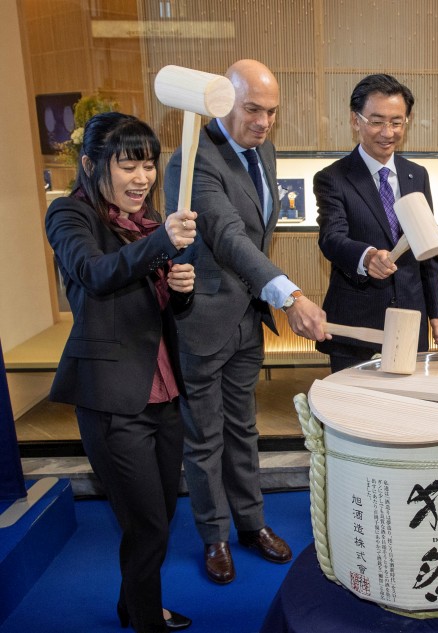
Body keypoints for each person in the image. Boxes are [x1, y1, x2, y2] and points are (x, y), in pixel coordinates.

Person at [164, 59, 327, 585]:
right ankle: (214, 537)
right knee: (205, 437)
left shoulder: (264, 150)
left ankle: (252, 524)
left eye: (272, 112)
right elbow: (229, 236)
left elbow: (258, 233)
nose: (263, 122)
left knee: (244, 430)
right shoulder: (192, 159)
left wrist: (267, 297)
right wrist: (290, 295)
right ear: (224, 101)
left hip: (245, 320)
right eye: (253, 109)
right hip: (202, 320)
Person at [46, 112, 196, 632]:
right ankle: (146, 619)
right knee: (147, 522)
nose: (142, 178)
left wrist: (182, 290)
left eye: (148, 165)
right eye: (127, 165)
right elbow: (94, 273)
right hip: (112, 397)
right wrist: (161, 246)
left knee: (160, 517)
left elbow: (162, 312)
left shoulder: (152, 224)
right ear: (91, 164)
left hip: (164, 392)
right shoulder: (70, 215)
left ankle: (133, 605)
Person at [314, 73, 438, 373]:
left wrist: (436, 310)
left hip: (410, 317)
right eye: (376, 121)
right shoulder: (333, 178)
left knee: (405, 409)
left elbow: (427, 247)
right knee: (353, 412)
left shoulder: (418, 175)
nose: (387, 132)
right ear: (355, 120)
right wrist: (368, 256)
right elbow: (331, 238)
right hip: (357, 321)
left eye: (397, 122)